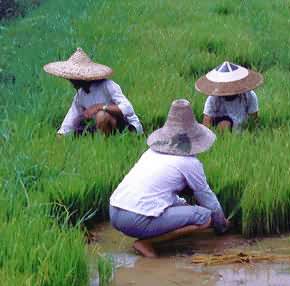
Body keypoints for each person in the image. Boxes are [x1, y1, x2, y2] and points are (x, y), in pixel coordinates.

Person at [109, 99, 229, 257]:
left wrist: (182, 203)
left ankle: (148, 235)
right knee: (205, 217)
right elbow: (206, 196)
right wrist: (221, 225)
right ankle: (147, 242)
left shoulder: (151, 153)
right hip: (135, 218)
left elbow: (158, 191)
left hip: (114, 211)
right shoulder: (190, 163)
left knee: (182, 205)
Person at [43, 48, 143, 136]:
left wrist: (99, 107)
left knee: (101, 116)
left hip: (127, 127)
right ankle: (105, 140)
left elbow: (128, 108)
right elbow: (71, 118)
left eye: (74, 79)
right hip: (106, 129)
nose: (71, 81)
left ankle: (110, 143)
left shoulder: (107, 85)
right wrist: (61, 134)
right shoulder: (80, 96)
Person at [195, 61, 263, 132]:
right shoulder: (213, 98)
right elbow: (206, 123)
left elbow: (254, 120)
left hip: (243, 130)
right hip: (222, 128)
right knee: (225, 124)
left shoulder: (249, 95)